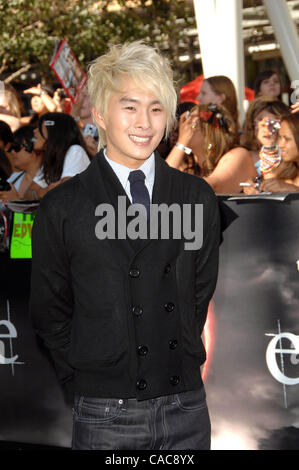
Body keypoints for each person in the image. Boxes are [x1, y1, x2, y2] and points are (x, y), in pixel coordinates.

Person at [30, 40, 220, 451]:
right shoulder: (63, 206)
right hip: (105, 412)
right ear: (100, 114)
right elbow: (49, 310)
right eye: (129, 106)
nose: (145, 122)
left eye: (156, 108)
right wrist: (92, 373)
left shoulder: (195, 196)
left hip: (186, 404)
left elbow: (197, 294)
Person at [166, 103, 257, 193]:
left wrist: (182, 142)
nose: (184, 127)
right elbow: (160, 184)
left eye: (192, 123)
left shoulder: (238, 155)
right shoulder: (188, 164)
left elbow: (211, 187)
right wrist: (182, 143)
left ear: (208, 130)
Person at [26, 112, 91, 199]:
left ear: (55, 131)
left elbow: (66, 190)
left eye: (39, 127)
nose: (34, 131)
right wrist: (44, 191)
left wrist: (41, 193)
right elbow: (27, 193)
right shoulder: (50, 158)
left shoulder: (75, 151)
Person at [243, 112, 299, 193]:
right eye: (279, 137)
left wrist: (294, 190)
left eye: (287, 139)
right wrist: (257, 188)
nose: (280, 144)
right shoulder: (286, 171)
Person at [240, 96, 290, 174]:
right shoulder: (242, 155)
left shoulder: (289, 155)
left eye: (274, 121)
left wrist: (269, 146)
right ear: (252, 123)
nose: (267, 126)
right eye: (260, 119)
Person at [0, 125, 44, 201]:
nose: (12, 152)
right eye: (12, 148)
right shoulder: (13, 179)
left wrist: (15, 201)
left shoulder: (50, 179)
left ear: (35, 147)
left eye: (17, 147)